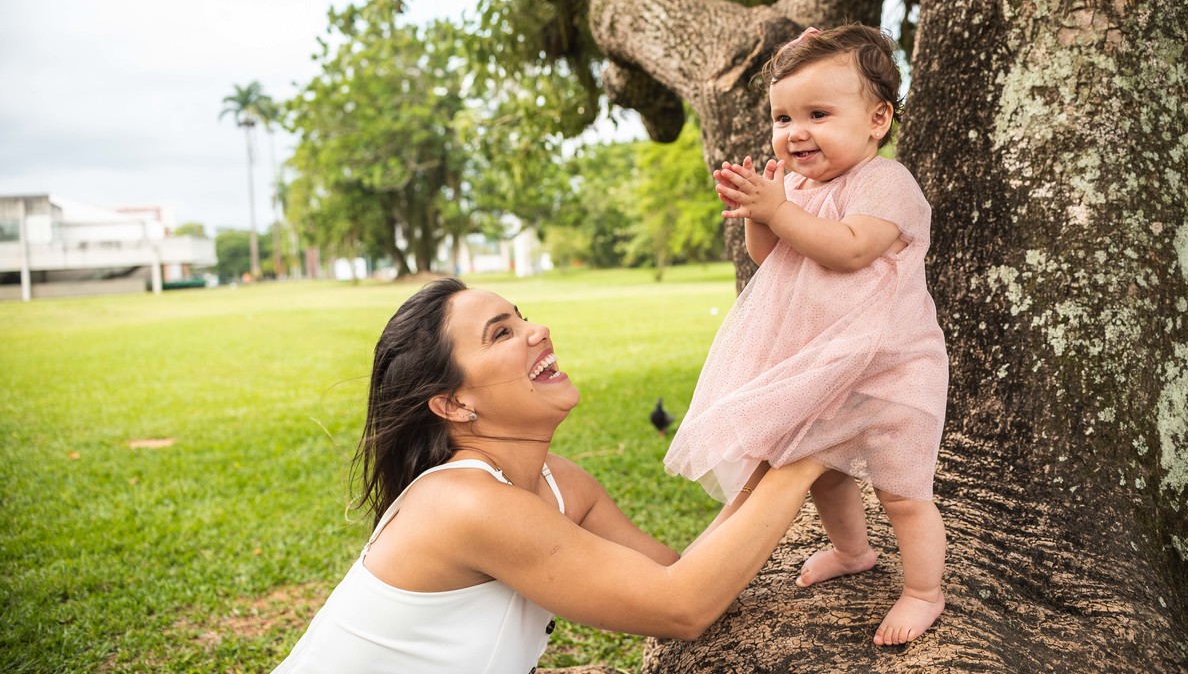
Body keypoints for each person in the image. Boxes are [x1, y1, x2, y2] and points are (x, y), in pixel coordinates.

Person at [271, 277, 827, 674]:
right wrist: (812, 455)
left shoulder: (560, 484)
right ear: (454, 404)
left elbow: (680, 577)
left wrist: (774, 460)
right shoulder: (464, 503)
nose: (538, 330)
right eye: (502, 334)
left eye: (522, 316)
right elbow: (681, 609)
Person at [663, 23, 949, 646]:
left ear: (877, 120)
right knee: (823, 472)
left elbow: (848, 251)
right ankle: (852, 552)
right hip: (824, 363)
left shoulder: (886, 184)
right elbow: (771, 256)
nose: (795, 132)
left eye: (817, 114)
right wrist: (757, 212)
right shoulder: (796, 187)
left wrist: (780, 209)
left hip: (890, 367)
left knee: (903, 491)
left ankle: (925, 589)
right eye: (782, 116)